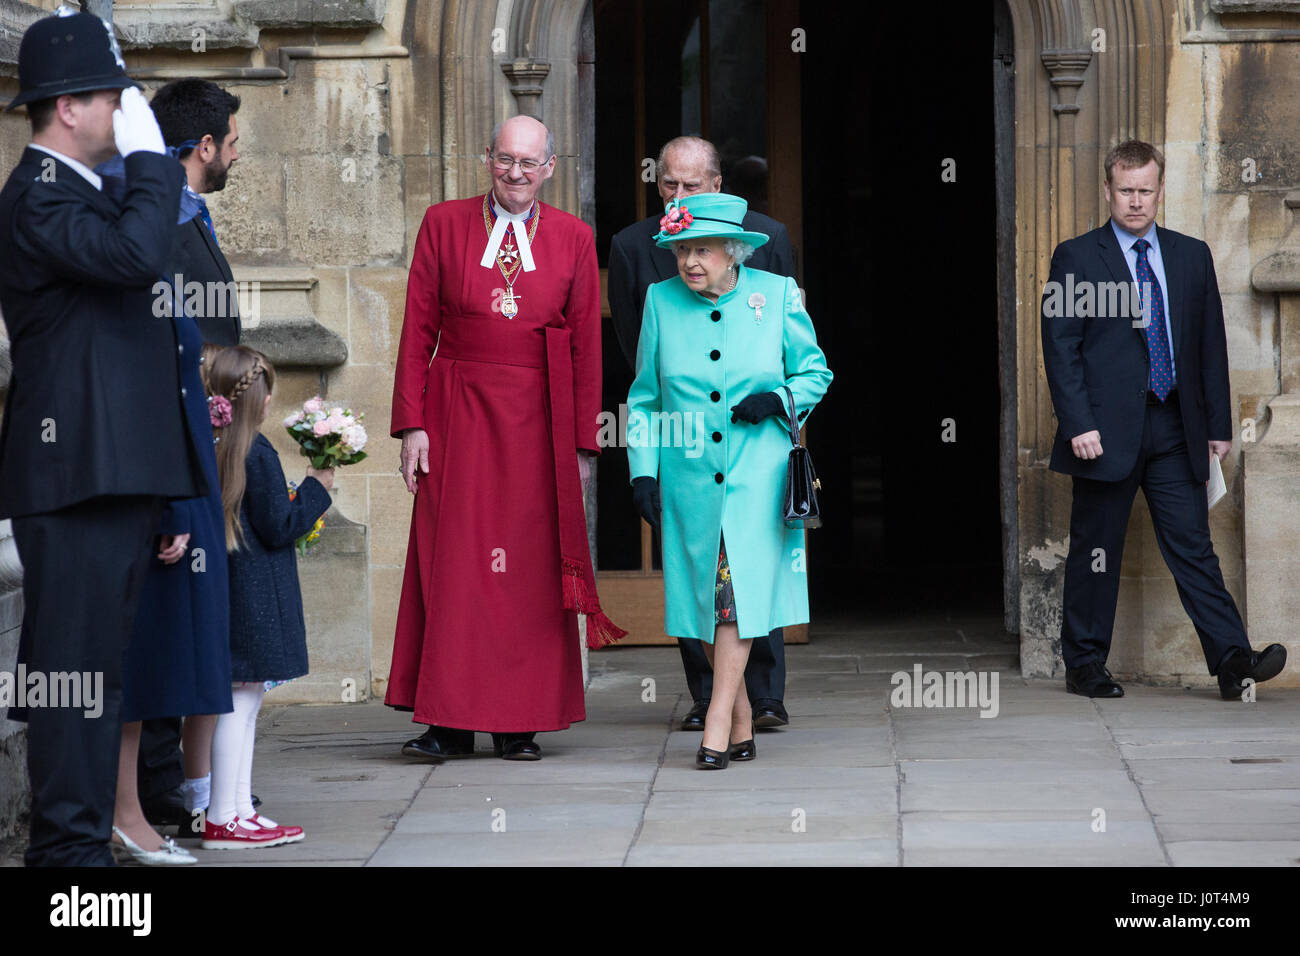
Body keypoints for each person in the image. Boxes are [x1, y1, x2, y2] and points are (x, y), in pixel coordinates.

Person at [0, 9, 205, 866]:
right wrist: (158, 161)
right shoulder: (37, 197)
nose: (125, 115)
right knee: (74, 681)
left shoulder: (87, 193)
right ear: (70, 108)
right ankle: (68, 862)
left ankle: (78, 852)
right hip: (74, 477)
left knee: (100, 680)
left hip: (112, 475)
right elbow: (132, 260)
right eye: (115, 99)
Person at [387, 114, 623, 763]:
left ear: (549, 169)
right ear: (489, 157)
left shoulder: (574, 239)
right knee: (455, 566)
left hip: (537, 425)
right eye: (505, 160)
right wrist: (413, 423)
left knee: (523, 574)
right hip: (457, 413)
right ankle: (448, 721)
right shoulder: (443, 223)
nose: (515, 173)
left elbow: (584, 350)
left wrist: (581, 445)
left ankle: (519, 720)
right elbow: (416, 332)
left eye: (529, 163)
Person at [1040, 139, 1286, 701]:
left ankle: (1231, 660)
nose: (1134, 201)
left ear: (1159, 190)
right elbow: (1061, 348)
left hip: (1177, 426)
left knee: (1193, 544)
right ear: (1108, 190)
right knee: (1096, 547)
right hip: (1102, 432)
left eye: (1144, 190)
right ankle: (1085, 665)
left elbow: (1209, 346)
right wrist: (1078, 423)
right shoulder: (1076, 257)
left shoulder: (1190, 255)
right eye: (1124, 190)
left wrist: (1219, 427)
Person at [627, 192, 832, 769]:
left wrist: (779, 398)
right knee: (711, 601)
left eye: (702, 250)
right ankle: (742, 718)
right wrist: (643, 471)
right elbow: (643, 398)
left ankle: (717, 720)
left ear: (734, 252)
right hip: (689, 477)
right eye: (680, 250)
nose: (689, 261)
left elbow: (817, 371)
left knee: (734, 597)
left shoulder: (777, 295)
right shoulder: (660, 302)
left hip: (757, 479)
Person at [608, 135, 797, 733]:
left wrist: (780, 410)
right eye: (668, 183)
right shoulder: (633, 249)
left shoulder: (769, 243)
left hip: (752, 448)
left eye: (692, 185)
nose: (678, 195)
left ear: (719, 187)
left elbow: (795, 354)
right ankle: (711, 701)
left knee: (747, 573)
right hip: (684, 444)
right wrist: (647, 463)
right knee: (699, 580)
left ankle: (757, 700)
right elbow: (640, 365)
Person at [96, 171, 233, 866]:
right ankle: (118, 817)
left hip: (163, 492)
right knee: (129, 669)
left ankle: (127, 814)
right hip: (135, 497)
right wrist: (171, 504)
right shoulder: (120, 282)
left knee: (145, 671)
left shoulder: (149, 275)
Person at [128, 77, 245, 837]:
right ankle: (160, 796)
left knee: (197, 625)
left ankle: (188, 792)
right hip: (174, 451)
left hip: (206, 448)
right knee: (169, 627)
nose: (237, 153)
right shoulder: (161, 229)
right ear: (202, 147)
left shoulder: (189, 216)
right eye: (232, 141)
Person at [200, 346, 330, 848]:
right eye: (269, 389)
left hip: (229, 591)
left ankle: (235, 809)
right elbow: (280, 527)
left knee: (245, 700)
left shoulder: (214, 444)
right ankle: (224, 816)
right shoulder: (258, 451)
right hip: (255, 596)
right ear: (260, 398)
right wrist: (317, 489)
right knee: (241, 702)